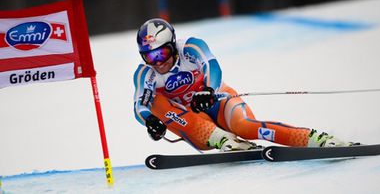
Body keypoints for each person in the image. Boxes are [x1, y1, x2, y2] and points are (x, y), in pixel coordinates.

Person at [133, 18, 356, 152]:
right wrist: (151, 121)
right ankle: (222, 140)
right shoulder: (146, 74)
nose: (158, 62)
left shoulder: (190, 48)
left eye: (161, 53)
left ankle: (316, 139)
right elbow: (139, 105)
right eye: (149, 57)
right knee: (154, 103)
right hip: (193, 121)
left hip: (218, 102)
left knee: (246, 127)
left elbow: (213, 66)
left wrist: (209, 90)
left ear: (172, 45)